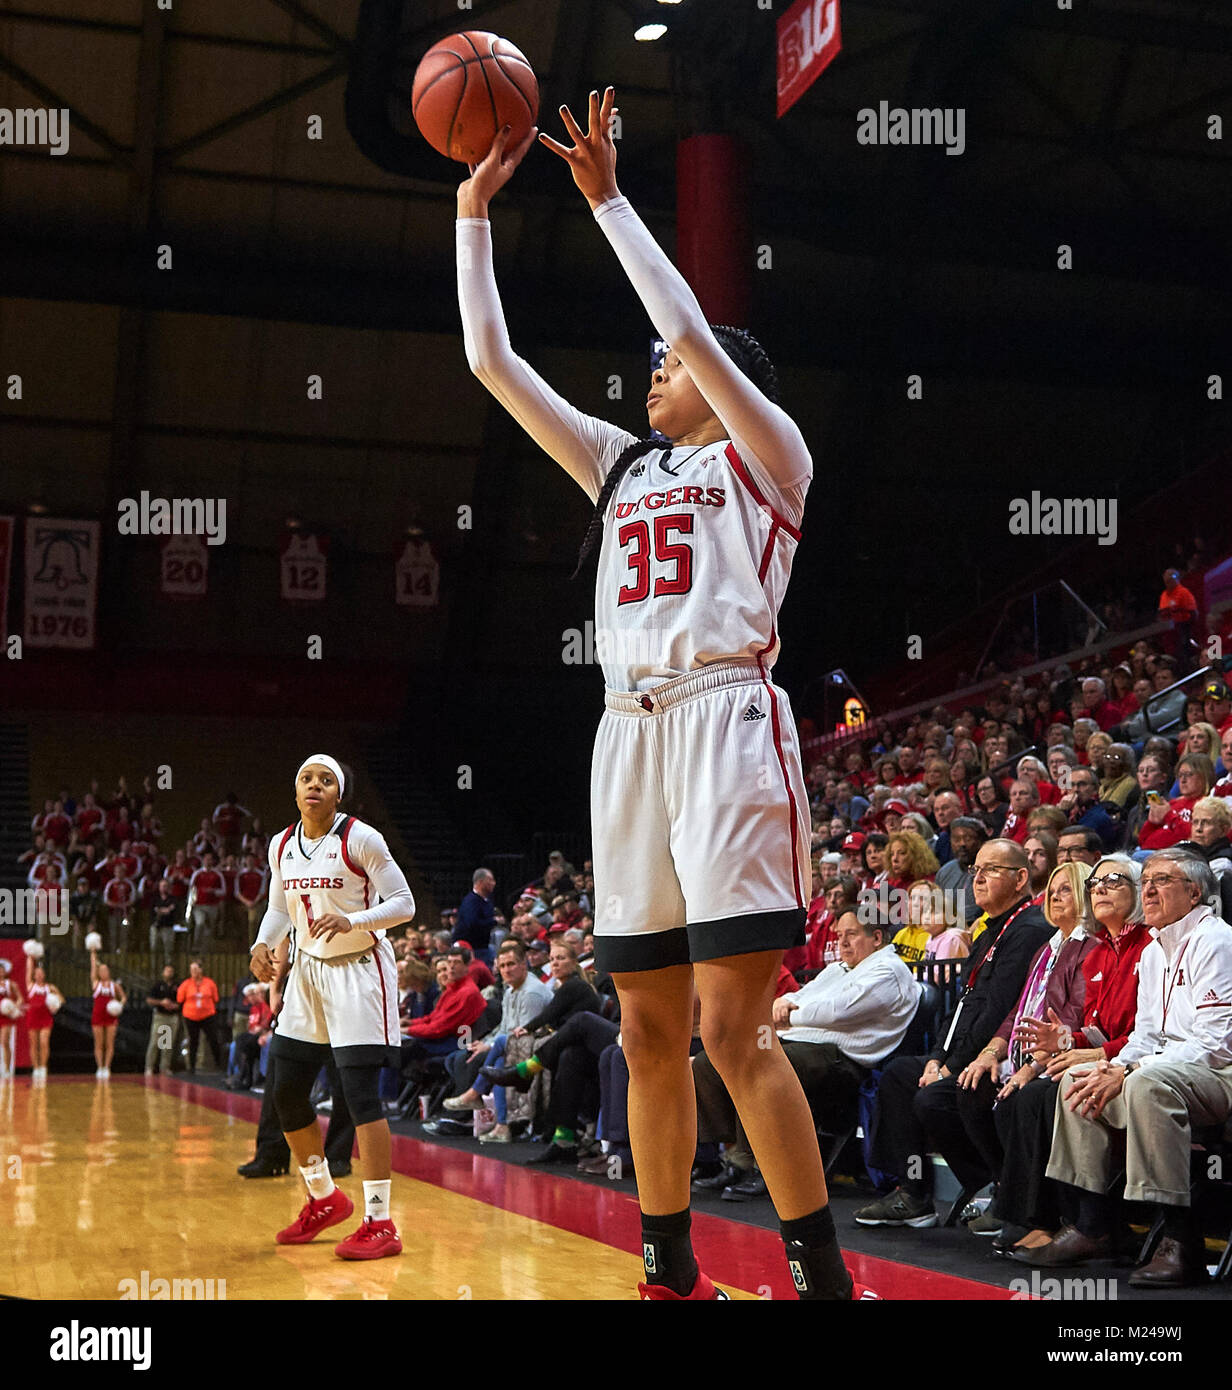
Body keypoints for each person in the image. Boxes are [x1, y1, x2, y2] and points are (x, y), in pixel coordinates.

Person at [455, 94, 872, 1302]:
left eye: (666, 370)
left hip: (727, 723)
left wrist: (607, 201)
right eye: (646, 370)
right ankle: (666, 1267)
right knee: (646, 1032)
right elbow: (492, 364)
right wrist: (472, 211)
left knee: (733, 1034)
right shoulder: (620, 461)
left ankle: (818, 1277)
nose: (648, 377)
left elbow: (682, 321)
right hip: (625, 737)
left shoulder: (766, 454)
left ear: (718, 378)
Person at [249, 755, 416, 1259]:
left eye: (325, 780)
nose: (314, 786)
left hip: (360, 972)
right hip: (306, 972)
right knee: (285, 1090)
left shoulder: (361, 839)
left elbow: (405, 903)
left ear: (337, 794)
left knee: (360, 1096)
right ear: (296, 790)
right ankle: (323, 1197)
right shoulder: (281, 844)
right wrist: (262, 944)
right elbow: (280, 907)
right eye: (306, 779)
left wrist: (354, 921)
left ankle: (381, 1222)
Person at [1043, 849, 1232, 1285]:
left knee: (1147, 1083)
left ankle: (1182, 1241)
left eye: (1162, 880)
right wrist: (1115, 1064)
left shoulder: (1215, 941)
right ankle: (1091, 1224)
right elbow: (1145, 1035)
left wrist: (1131, 1070)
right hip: (1166, 1067)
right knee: (1079, 1076)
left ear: (1195, 892)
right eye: (1145, 880)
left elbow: (1215, 1043)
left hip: (1218, 1073)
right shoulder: (1152, 951)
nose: (1147, 888)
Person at [855, 839, 1053, 1228]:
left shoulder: (1029, 929)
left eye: (991, 870)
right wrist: (935, 1059)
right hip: (960, 1052)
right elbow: (963, 1005)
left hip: (1000, 1053)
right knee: (898, 1076)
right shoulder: (987, 932)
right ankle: (913, 1192)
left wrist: (952, 1066)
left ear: (1021, 878)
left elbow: (998, 1008)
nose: (978, 879)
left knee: (935, 1098)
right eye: (975, 871)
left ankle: (995, 1184)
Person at [693, 913, 918, 1200]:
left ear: (876, 938)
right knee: (710, 1062)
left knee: (761, 1065)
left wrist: (788, 1015)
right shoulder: (839, 968)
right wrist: (785, 1008)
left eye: (851, 934)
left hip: (844, 1059)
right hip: (803, 1044)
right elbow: (803, 996)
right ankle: (735, 1156)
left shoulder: (888, 970)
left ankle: (768, 1168)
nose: (843, 942)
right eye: (839, 936)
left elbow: (838, 1010)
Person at [1003, 855, 1151, 1261]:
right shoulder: (1100, 951)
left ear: (1139, 891)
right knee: (1036, 1091)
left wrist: (1091, 1051)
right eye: (1095, 883)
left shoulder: (1150, 946)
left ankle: (1085, 1223)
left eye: (1112, 881)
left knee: (1047, 1092)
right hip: (1108, 1056)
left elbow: (1147, 1033)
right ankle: (1073, 1221)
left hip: (1138, 1063)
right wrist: (1065, 1039)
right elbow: (1094, 1026)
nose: (1099, 888)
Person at [947, 861, 1096, 1238]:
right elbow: (1016, 1011)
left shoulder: (1087, 946)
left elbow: (1071, 1018)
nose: (1056, 896)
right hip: (1022, 1054)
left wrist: (1031, 1066)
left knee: (1020, 1100)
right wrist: (991, 1052)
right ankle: (1002, 1191)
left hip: (1056, 1056)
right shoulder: (1047, 948)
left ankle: (1034, 1216)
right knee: (965, 1090)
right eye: (1054, 890)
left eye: (1067, 889)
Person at [441, 938, 553, 1143]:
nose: (506, 970)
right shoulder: (510, 990)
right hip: (508, 1046)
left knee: (496, 1063)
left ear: (523, 964)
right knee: (463, 1057)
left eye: (511, 964)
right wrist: (484, 1042)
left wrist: (491, 1045)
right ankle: (500, 1125)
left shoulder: (532, 993)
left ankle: (473, 1100)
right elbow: (504, 1027)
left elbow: (525, 1035)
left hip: (538, 1050)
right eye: (502, 965)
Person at [177, 959, 222, 1074]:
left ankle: (218, 1064)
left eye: (196, 969)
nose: (194, 972)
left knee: (213, 1039)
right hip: (191, 1016)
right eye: (192, 970)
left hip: (208, 1015)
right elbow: (179, 999)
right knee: (193, 1041)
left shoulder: (209, 983)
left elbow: (216, 998)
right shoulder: (186, 984)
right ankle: (191, 1066)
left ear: (201, 970)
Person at [24, 952, 63, 1084]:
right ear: (34, 976)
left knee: (44, 1042)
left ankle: (43, 1067)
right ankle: (36, 1068)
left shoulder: (50, 987)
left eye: (41, 973)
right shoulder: (30, 986)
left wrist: (55, 1004)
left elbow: (61, 1000)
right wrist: (30, 956)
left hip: (45, 1018)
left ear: (44, 975)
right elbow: (28, 969)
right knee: (34, 1044)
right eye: (37, 973)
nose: (39, 975)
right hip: (32, 1017)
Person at [89, 946, 125, 1079]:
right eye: (102, 970)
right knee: (99, 1043)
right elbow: (93, 967)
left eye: (106, 970)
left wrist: (118, 1005)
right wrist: (93, 953)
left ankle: (107, 1067)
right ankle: (100, 1067)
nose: (104, 972)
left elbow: (124, 997)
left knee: (109, 1043)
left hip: (110, 1017)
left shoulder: (114, 985)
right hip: (98, 1016)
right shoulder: (96, 983)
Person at [454, 868, 498, 966]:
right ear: (480, 882)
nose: (493, 883)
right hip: (472, 949)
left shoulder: (487, 900)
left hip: (483, 947)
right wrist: (494, 921)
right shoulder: (471, 901)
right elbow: (472, 924)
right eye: (490, 880)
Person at [144, 963, 182, 1077]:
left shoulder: (177, 986)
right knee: (155, 1042)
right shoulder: (158, 985)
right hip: (160, 1016)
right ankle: (149, 1067)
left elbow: (182, 1001)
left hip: (172, 1016)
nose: (169, 973)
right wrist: (161, 1002)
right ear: (163, 973)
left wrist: (176, 1006)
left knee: (167, 1044)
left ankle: (164, 1067)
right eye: (167, 971)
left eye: (171, 971)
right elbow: (149, 1000)